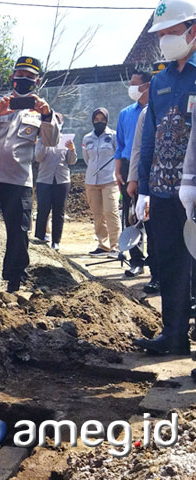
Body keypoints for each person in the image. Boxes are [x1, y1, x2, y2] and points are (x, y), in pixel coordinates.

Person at [0, 56, 60, 292]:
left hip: (18, 181)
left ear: (37, 80)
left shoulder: (41, 110)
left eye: (29, 77)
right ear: (11, 77)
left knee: (19, 234)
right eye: (20, 75)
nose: (23, 80)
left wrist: (47, 116)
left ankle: (15, 282)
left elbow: (52, 140)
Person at [133, 0, 196, 356]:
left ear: (192, 29)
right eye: (161, 35)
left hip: (195, 190)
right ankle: (173, 335)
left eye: (171, 33)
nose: (165, 41)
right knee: (170, 262)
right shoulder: (159, 81)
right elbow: (149, 138)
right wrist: (144, 189)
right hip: (163, 190)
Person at [126, 62, 165, 294]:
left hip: (180, 184)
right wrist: (134, 181)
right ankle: (157, 276)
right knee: (152, 231)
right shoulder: (145, 114)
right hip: (150, 185)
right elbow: (138, 150)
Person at [116, 69, 152, 276]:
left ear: (146, 86)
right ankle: (136, 260)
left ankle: (153, 261)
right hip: (129, 167)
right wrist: (118, 170)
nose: (131, 87)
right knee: (130, 216)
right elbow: (120, 145)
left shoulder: (154, 111)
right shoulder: (125, 113)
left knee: (148, 215)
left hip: (147, 167)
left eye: (135, 83)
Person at [33, 116, 76, 252]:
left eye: (57, 121)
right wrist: (46, 143)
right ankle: (39, 238)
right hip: (44, 180)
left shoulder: (65, 139)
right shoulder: (41, 139)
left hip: (62, 180)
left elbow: (72, 161)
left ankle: (56, 241)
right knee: (43, 210)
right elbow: (38, 158)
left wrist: (72, 149)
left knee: (59, 212)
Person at [82, 108, 120, 257]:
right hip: (91, 181)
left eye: (102, 119)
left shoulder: (114, 136)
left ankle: (115, 246)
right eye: (96, 119)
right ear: (92, 120)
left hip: (109, 180)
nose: (99, 122)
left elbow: (118, 157)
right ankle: (102, 245)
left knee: (111, 212)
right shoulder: (87, 138)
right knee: (98, 214)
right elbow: (86, 159)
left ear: (107, 120)